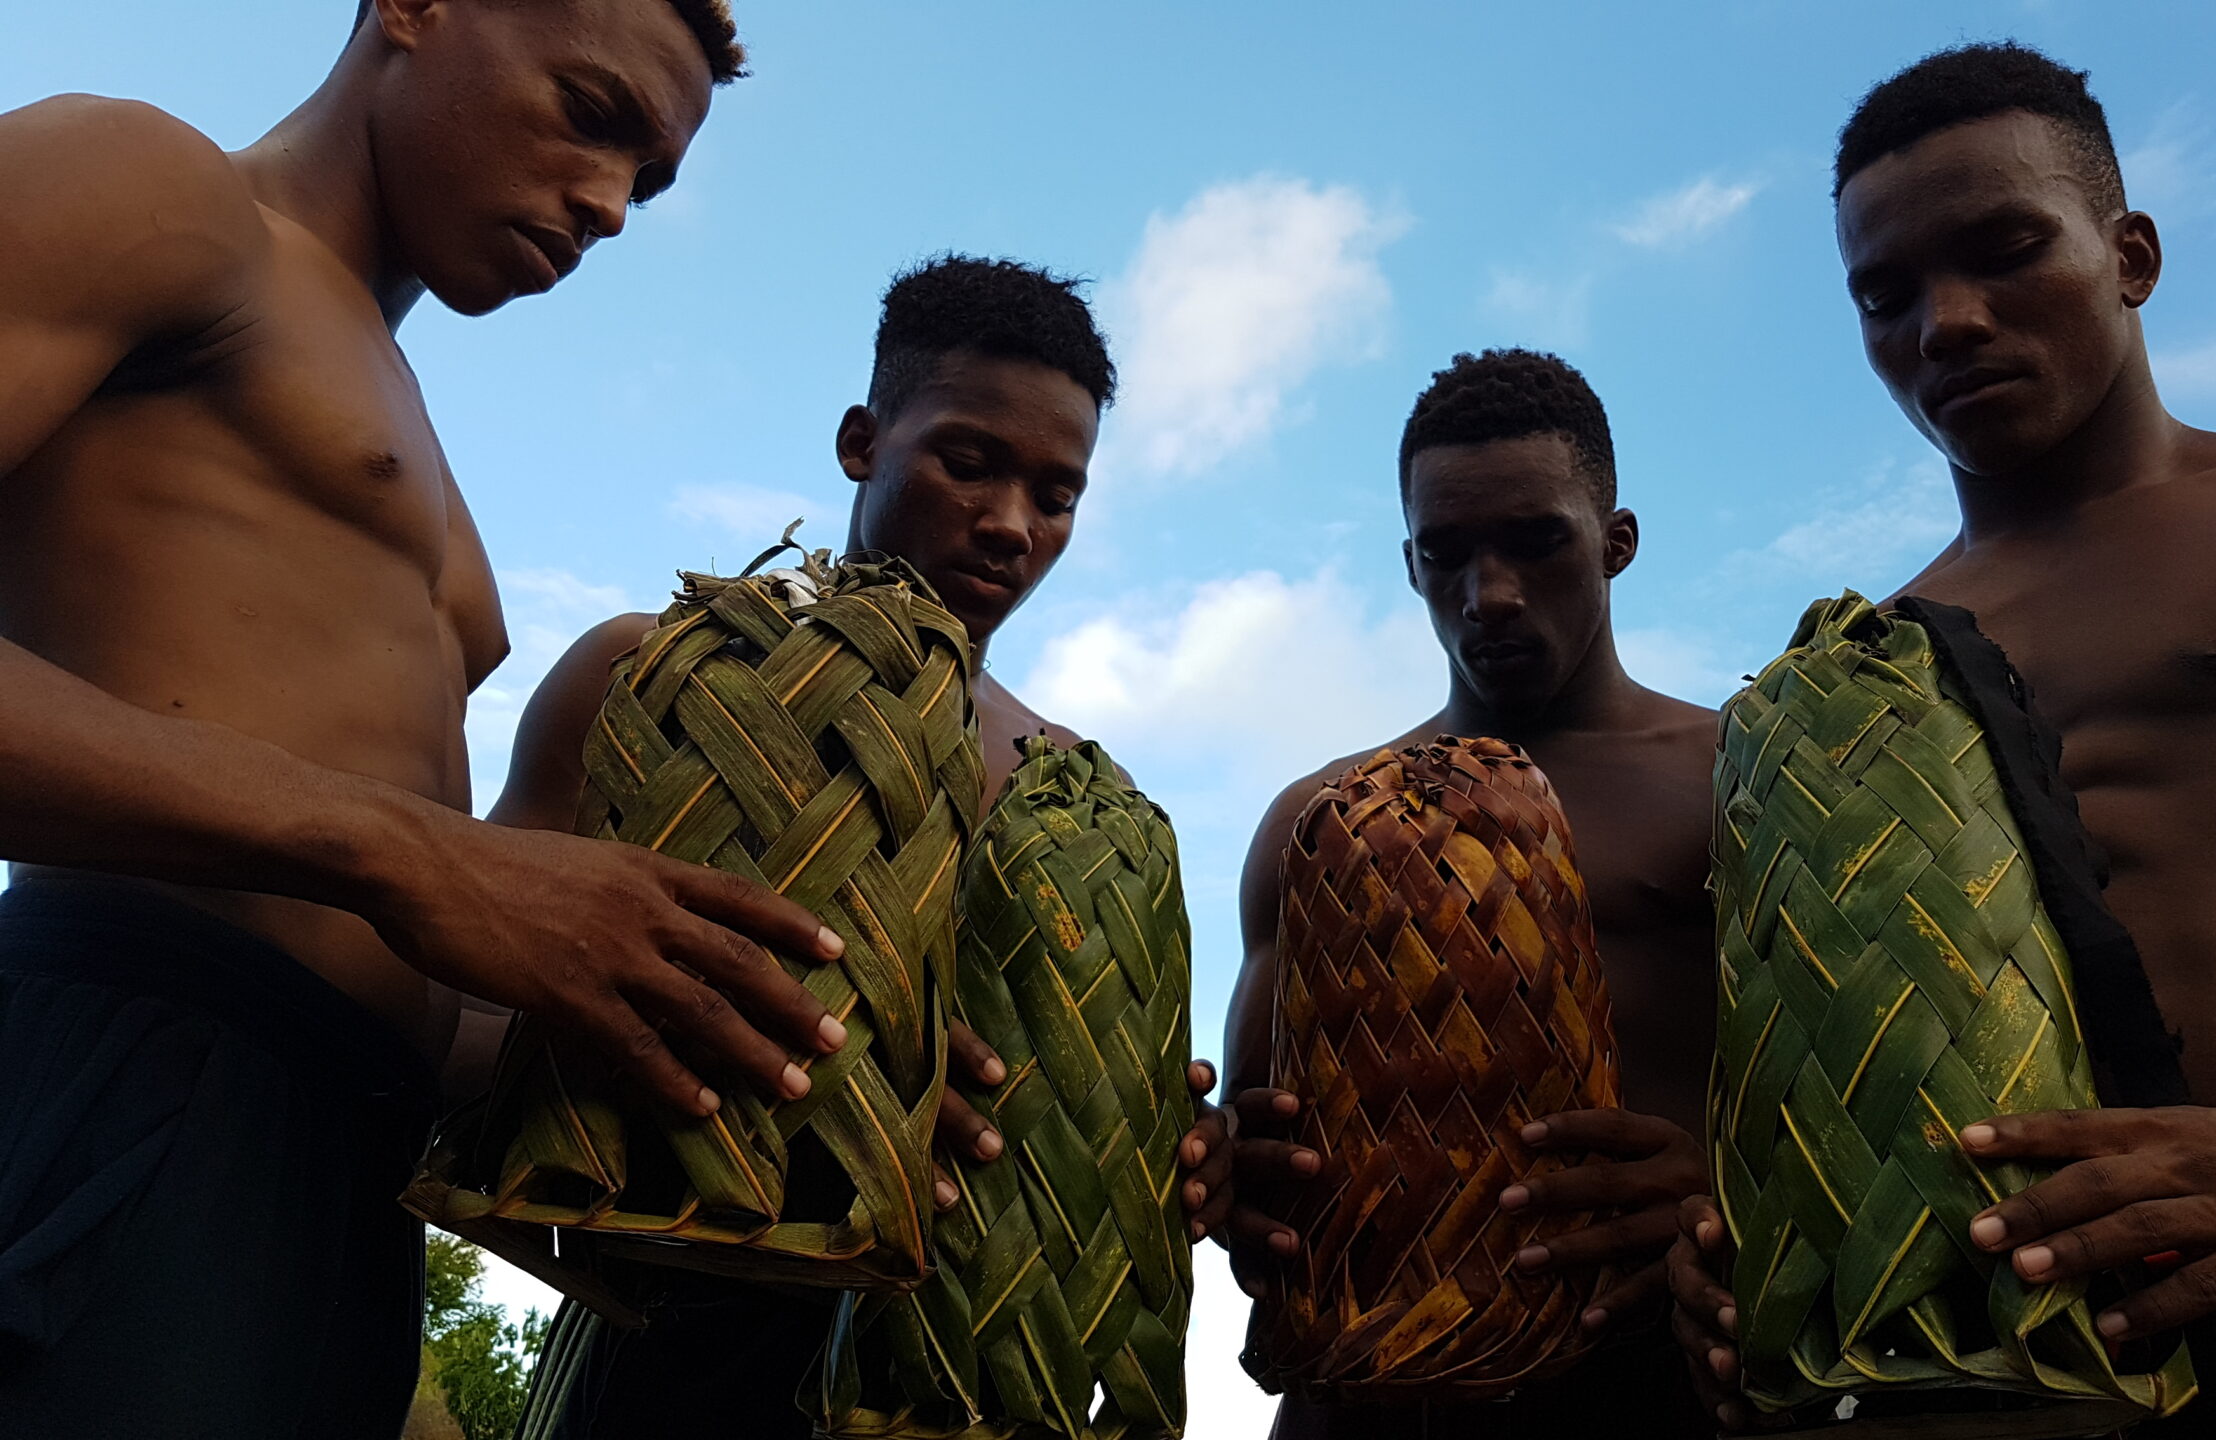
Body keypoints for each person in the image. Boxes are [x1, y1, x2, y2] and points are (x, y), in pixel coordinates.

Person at [1671, 42, 2216, 1438]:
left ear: (2131, 253)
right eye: (1884, 295)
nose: (1947, 322)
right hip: (1982, 1373)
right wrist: (1733, 1237)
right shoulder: (1844, 679)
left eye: (2005, 249)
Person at [0, 4, 863, 1436]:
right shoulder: (151, 184)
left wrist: (785, 1060)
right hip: (126, 1075)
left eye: (649, 182)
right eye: (592, 112)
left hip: (347, 1173)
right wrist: (406, 849)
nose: (608, 206)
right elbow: (402, 876)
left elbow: (411, 983)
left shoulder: (425, 468)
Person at [494, 254, 1229, 1439]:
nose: (1008, 526)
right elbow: (459, 1023)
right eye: (968, 461)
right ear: (861, 441)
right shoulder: (657, 684)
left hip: (967, 1384)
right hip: (668, 1350)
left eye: (1056, 495)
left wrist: (1148, 1146)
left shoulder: (1079, 803)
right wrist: (784, 1077)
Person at [1206, 349, 1721, 1436]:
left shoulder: (1734, 784)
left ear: (1615, 543)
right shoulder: (1322, 822)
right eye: (1446, 554)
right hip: (1368, 1399)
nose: (1488, 593)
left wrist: (1727, 1198)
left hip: (1657, 1380)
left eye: (1536, 542)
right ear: (1408, 564)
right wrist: (1229, 1176)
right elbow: (1250, 1159)